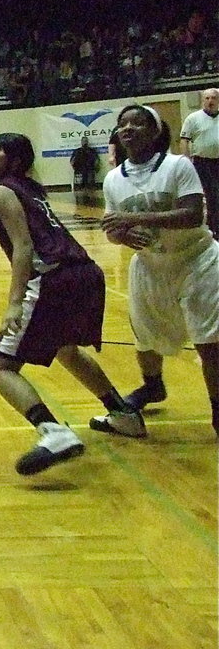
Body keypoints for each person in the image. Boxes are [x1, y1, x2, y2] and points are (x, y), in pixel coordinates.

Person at [0, 133, 145, 476]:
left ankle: (52, 432)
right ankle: (123, 414)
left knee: (0, 366)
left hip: (53, 279)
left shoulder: (2, 192)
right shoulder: (32, 188)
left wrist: (14, 304)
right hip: (84, 273)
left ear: (14, 161)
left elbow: (24, 249)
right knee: (66, 350)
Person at [101, 104, 219, 437]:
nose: (128, 129)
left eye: (138, 123)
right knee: (145, 336)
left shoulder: (178, 165)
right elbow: (113, 229)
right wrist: (123, 235)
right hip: (150, 264)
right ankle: (153, 386)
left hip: (197, 260)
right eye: (123, 124)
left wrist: (134, 219)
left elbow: (194, 215)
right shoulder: (113, 179)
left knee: (209, 342)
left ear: (155, 132)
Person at [179, 87, 219, 239]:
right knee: (208, 196)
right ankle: (211, 227)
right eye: (207, 98)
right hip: (203, 163)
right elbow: (184, 140)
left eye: (213, 98)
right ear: (203, 101)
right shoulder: (193, 118)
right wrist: (186, 161)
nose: (210, 101)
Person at [69, 134, 99, 201]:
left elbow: (97, 161)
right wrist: (74, 168)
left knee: (90, 188)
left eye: (86, 141)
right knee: (79, 189)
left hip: (90, 170)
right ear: (81, 142)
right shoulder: (77, 151)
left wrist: (95, 168)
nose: (84, 142)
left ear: (88, 142)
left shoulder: (92, 151)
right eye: (83, 141)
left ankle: (92, 202)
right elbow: (72, 161)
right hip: (79, 171)